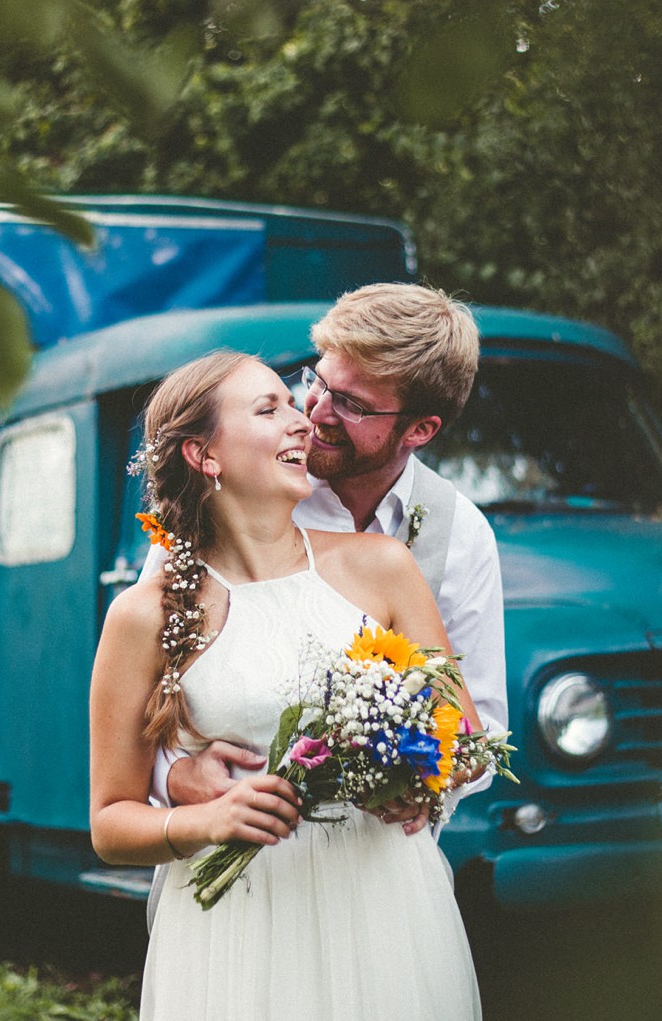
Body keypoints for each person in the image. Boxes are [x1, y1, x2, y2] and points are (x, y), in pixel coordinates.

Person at [89, 350, 485, 1020]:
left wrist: (410, 771)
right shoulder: (143, 614)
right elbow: (109, 821)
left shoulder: (383, 568)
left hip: (379, 903)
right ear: (204, 454)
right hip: (239, 928)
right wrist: (203, 819)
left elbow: (467, 738)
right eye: (268, 409)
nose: (302, 422)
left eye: (289, 402)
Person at [160, 282, 506, 830]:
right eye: (318, 381)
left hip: (377, 867)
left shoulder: (460, 533)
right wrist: (174, 777)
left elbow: (477, 732)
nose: (315, 411)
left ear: (420, 429)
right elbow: (142, 706)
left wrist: (426, 782)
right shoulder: (241, 493)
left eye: (351, 404)